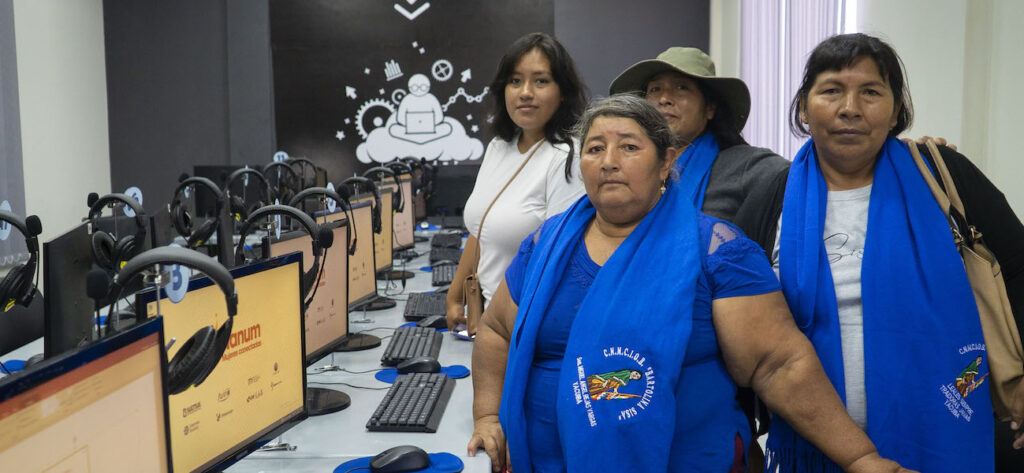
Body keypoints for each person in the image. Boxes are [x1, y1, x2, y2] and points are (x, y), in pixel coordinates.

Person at [467, 94, 914, 473]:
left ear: (666, 163)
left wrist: (861, 459)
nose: (609, 162)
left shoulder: (716, 251)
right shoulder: (547, 243)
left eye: (628, 147)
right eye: (595, 148)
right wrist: (487, 415)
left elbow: (778, 366)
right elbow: (496, 330)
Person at [733, 33, 1024, 472]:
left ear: (896, 112)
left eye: (870, 91)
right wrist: (741, 426)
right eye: (831, 90)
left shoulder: (944, 178)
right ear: (803, 110)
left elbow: (1018, 267)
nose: (850, 107)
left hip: (949, 428)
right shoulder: (771, 198)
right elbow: (737, 320)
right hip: (814, 444)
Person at [446, 33, 587, 330]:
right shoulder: (500, 146)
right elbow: (480, 230)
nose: (525, 92)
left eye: (540, 81)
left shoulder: (566, 156)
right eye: (515, 81)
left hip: (525, 322)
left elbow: (556, 259)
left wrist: (496, 326)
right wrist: (454, 296)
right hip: (489, 320)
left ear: (563, 92)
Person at [608, 47, 790, 221]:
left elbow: (798, 177)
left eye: (681, 87)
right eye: (655, 89)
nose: (664, 99)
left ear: (710, 107)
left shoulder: (745, 165)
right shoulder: (627, 167)